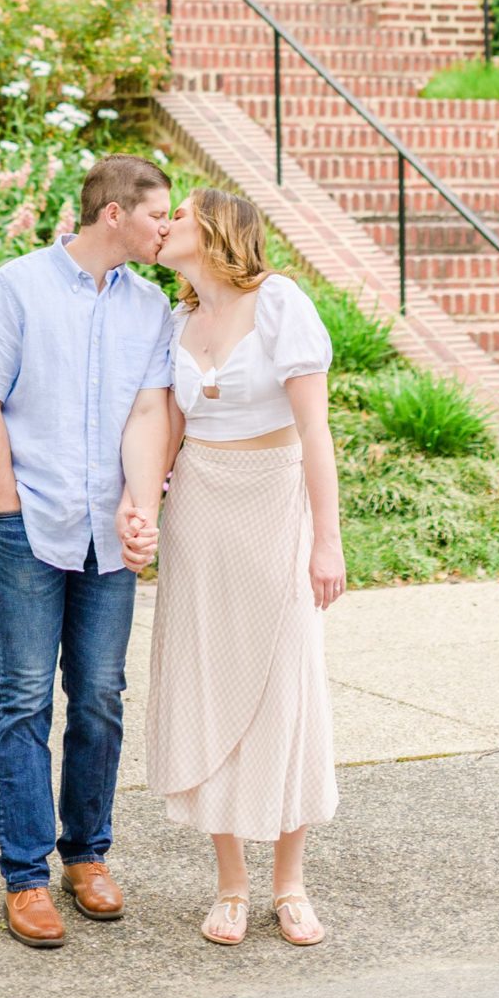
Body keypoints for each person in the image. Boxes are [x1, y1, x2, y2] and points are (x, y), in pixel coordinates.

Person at [0, 150, 175, 950]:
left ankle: (86, 856)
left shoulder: (150, 307)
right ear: (113, 212)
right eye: (159, 212)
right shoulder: (14, 287)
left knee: (100, 695)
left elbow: (150, 412)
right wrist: (7, 506)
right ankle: (24, 874)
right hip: (28, 524)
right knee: (20, 697)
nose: (168, 226)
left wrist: (138, 503)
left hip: (105, 534)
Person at [120, 185, 344, 948]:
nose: (164, 223)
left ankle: (290, 883)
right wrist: (140, 508)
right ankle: (230, 884)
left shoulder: (280, 304)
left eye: (176, 214)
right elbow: (163, 428)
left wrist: (327, 541)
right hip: (201, 514)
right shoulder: (174, 321)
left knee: (285, 684)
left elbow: (315, 434)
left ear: (215, 230)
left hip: (274, 504)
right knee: (205, 680)